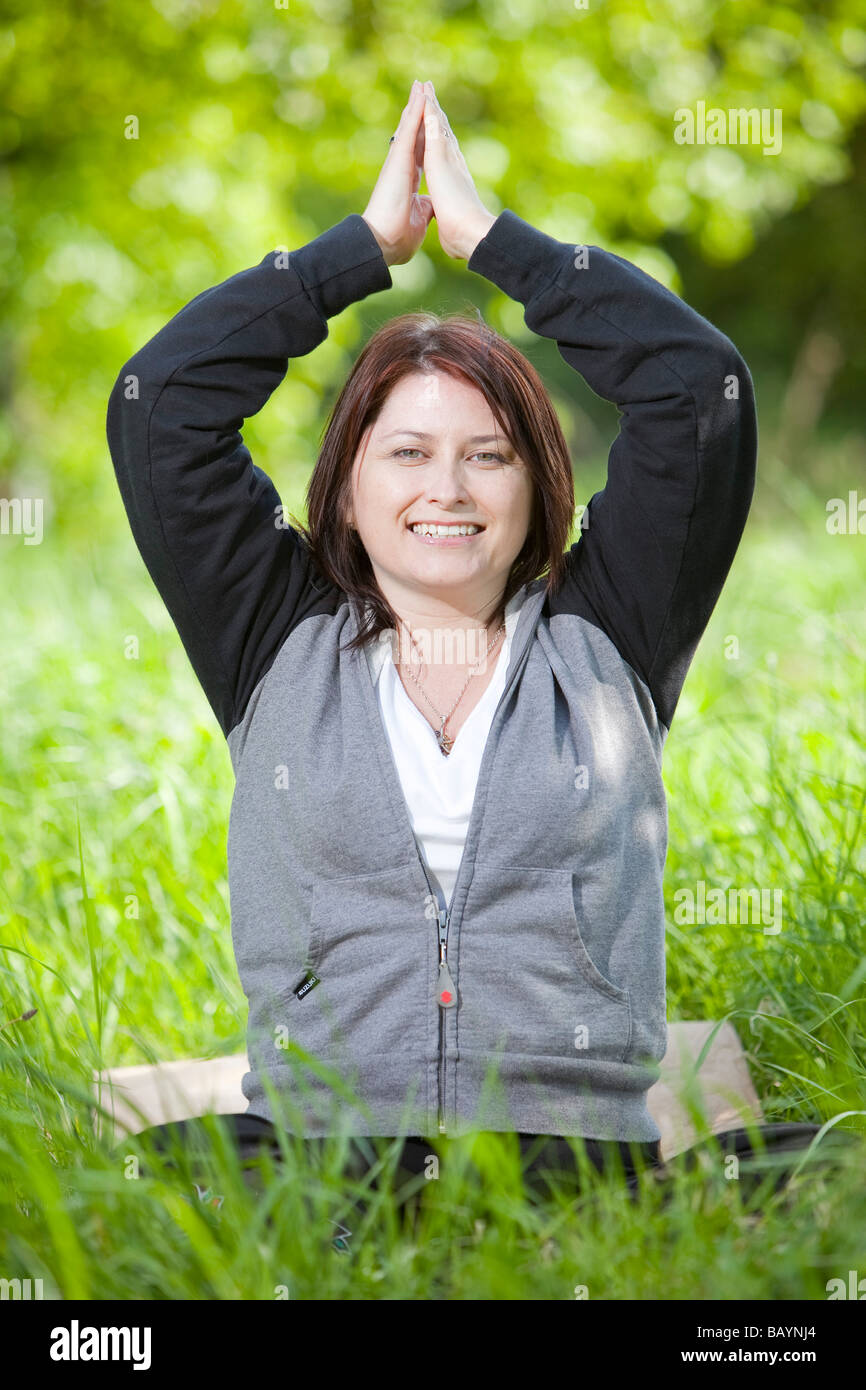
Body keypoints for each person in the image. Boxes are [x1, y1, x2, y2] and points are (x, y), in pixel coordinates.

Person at [105, 78, 758, 1215]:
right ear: (347, 490)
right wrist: (361, 250)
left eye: (487, 456)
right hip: (324, 1151)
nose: (445, 490)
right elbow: (160, 401)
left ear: (536, 483)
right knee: (141, 1193)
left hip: (566, 1158)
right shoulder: (276, 641)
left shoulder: (608, 633)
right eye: (405, 453)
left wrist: (493, 244)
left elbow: (697, 388)